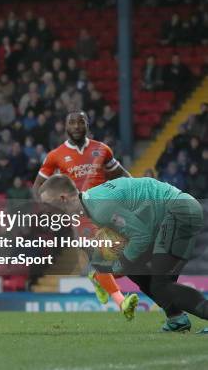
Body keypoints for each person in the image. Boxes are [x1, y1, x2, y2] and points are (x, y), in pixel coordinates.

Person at [39, 175, 207, 333]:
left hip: (179, 211)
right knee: (136, 269)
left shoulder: (101, 209)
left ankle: (180, 317)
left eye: (48, 205)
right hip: (169, 214)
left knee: (159, 284)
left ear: (63, 199)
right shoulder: (93, 202)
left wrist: (118, 266)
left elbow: (141, 237)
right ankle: (176, 319)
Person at [32, 111, 137, 319]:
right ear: (65, 127)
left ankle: (98, 278)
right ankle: (121, 302)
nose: (77, 126)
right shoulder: (55, 155)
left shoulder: (102, 149)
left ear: (87, 125)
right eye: (72, 122)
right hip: (78, 214)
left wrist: (136, 189)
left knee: (129, 254)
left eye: (81, 122)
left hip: (107, 209)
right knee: (100, 257)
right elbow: (38, 187)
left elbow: (122, 174)